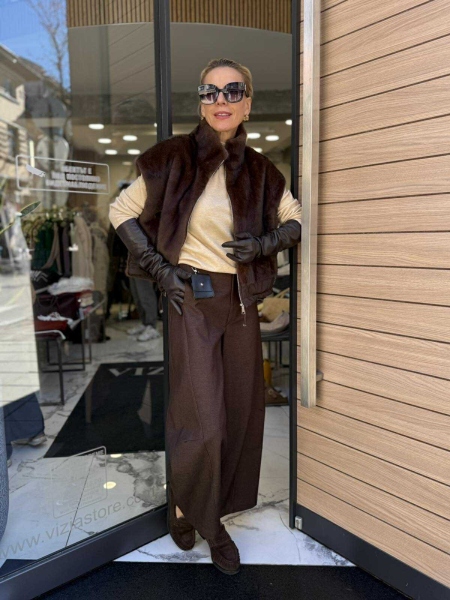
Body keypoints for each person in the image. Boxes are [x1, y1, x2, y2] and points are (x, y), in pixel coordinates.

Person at [109, 58, 301, 575]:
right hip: (191, 299)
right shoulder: (172, 158)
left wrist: (264, 243)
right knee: (203, 420)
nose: (221, 100)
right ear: (200, 102)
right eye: (210, 91)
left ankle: (189, 504)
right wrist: (159, 269)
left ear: (247, 104)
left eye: (233, 91)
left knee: (239, 414)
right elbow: (120, 211)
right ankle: (208, 523)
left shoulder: (261, 170)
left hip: (240, 302)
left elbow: (296, 218)